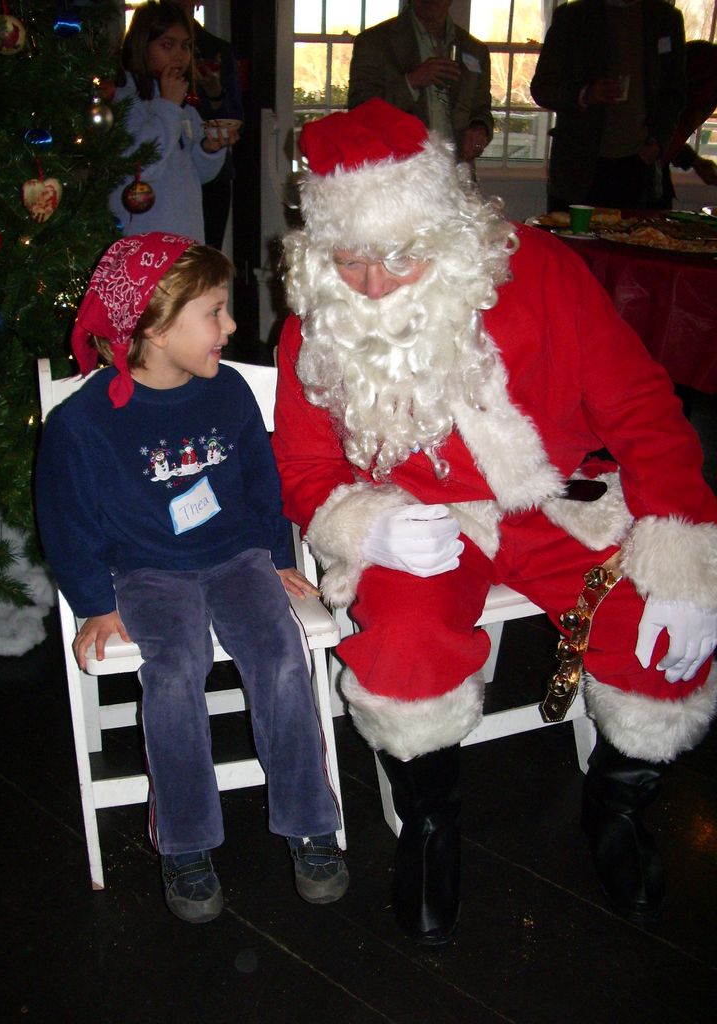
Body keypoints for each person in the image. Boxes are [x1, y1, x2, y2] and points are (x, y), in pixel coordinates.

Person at [271, 98, 717, 945]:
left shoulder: (541, 273)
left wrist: (685, 557)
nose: (372, 284)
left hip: (553, 502)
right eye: (350, 259)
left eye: (397, 257)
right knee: (403, 645)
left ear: (442, 229)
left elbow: (642, 410)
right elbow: (303, 466)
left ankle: (617, 809)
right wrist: (365, 526)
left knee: (658, 632)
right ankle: (430, 824)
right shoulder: (318, 321)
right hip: (421, 522)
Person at [35, 232, 348, 924]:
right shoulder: (83, 422)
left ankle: (309, 822)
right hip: (146, 572)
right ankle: (185, 842)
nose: (231, 326)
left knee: (282, 658)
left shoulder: (228, 390)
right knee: (174, 674)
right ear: (153, 326)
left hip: (237, 557)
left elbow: (261, 482)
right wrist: (93, 603)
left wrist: (279, 555)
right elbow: (66, 519)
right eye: (214, 312)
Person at [530, 0, 687, 211]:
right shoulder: (573, 17)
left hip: (639, 168)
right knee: (569, 234)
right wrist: (586, 94)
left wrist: (657, 144)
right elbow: (543, 88)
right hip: (579, 169)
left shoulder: (666, 18)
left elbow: (674, 94)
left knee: (637, 233)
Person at [109, 1, 236, 241]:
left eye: (185, 46)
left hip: (185, 234)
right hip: (143, 237)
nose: (179, 55)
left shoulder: (184, 105)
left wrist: (209, 149)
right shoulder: (124, 100)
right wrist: (168, 106)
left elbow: (202, 174)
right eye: (167, 45)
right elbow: (141, 167)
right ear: (142, 46)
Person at [347, 0, 493, 164]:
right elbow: (359, 112)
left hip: (456, 171)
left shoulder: (474, 50)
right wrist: (412, 82)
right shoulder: (374, 43)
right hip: (400, 172)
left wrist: (479, 129)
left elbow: (481, 110)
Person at [169, 0, 244, 249]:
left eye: (184, 46)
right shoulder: (147, 53)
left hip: (212, 173)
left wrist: (215, 93)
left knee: (207, 256)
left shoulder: (217, 49)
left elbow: (235, 118)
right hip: (162, 177)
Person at [659, 40, 717, 207]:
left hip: (653, 166)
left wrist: (694, 161)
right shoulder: (704, 62)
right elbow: (663, 128)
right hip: (637, 166)